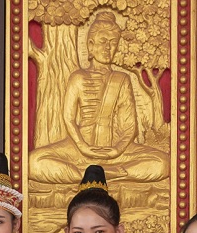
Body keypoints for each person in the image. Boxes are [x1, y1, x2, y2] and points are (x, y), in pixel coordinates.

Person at [28, 10, 168, 186]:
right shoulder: (78, 78)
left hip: (116, 153)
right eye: (103, 42)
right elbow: (69, 119)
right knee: (33, 162)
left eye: (113, 42)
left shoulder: (121, 79)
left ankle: (103, 174)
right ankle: (88, 174)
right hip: (79, 150)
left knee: (162, 163)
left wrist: (115, 150)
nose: (108, 48)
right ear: (91, 45)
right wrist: (83, 146)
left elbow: (129, 127)